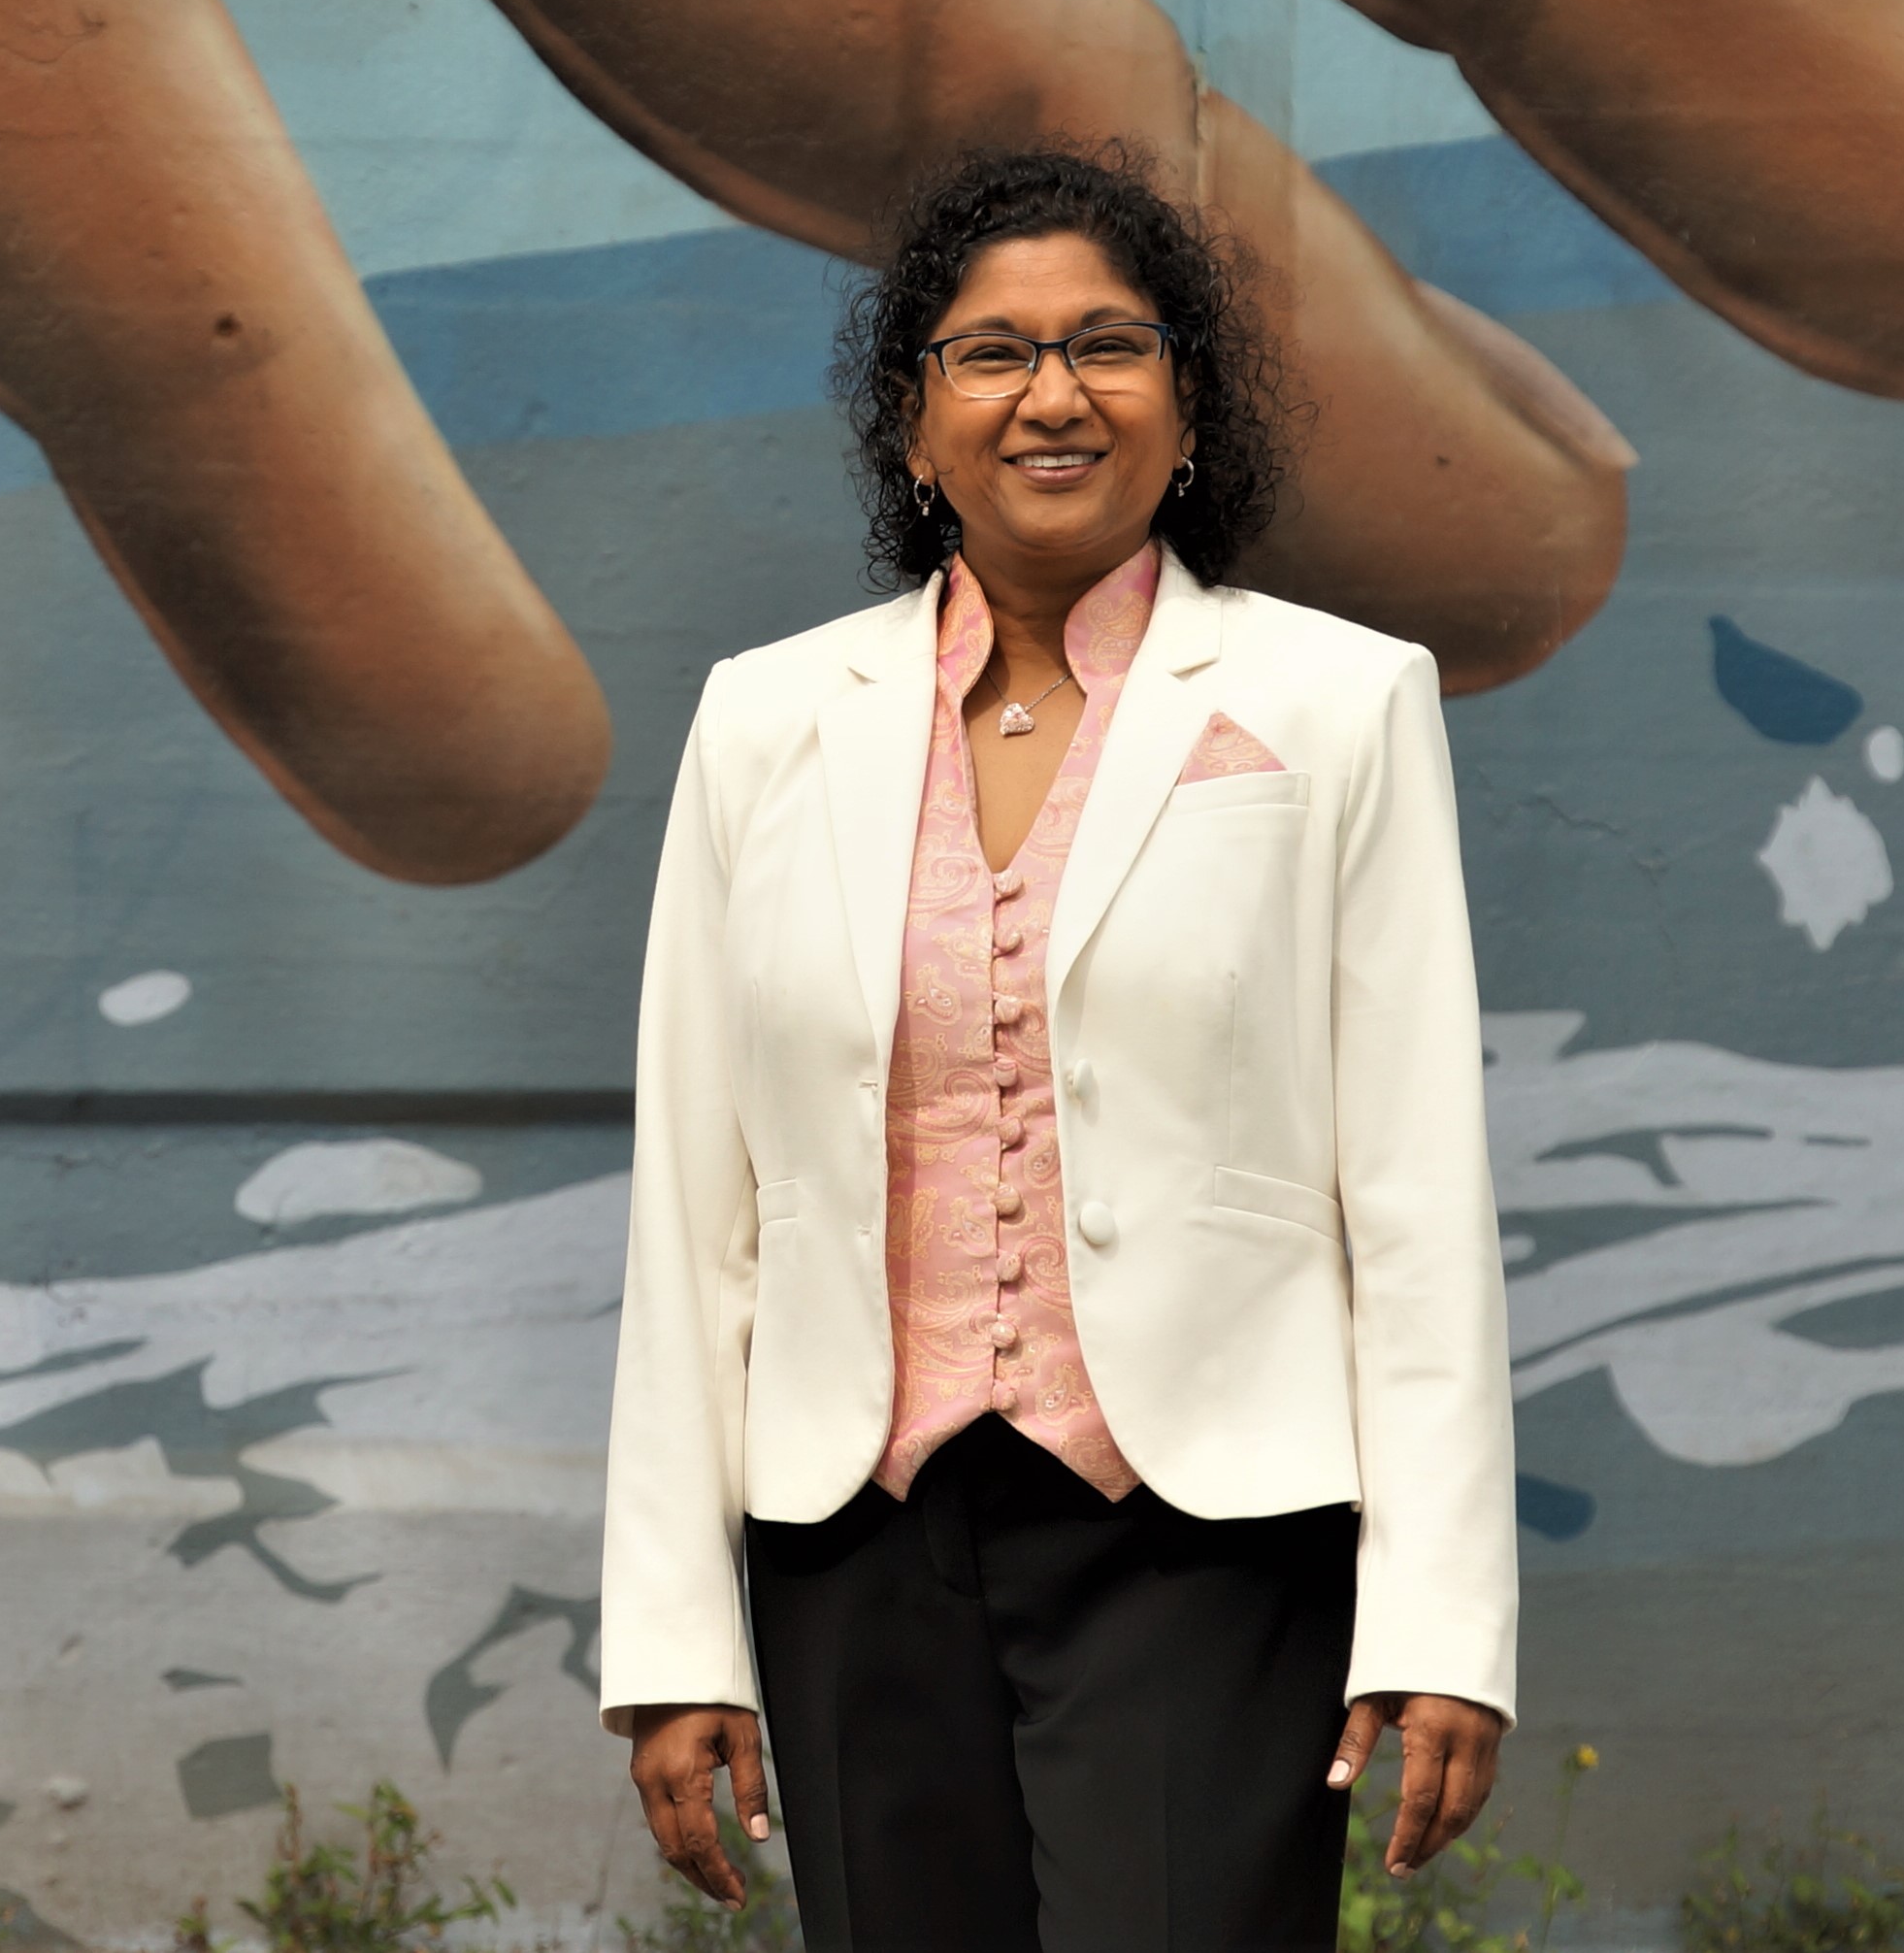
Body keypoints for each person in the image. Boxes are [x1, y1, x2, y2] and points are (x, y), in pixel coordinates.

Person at [601, 146, 1516, 1950]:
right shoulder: (766, 721)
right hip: (855, 1533)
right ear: (914, 424)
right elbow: (698, 1207)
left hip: (1211, 1531)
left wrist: (1438, 1625)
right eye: (990, 352)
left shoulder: (1338, 705)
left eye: (1109, 343)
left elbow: (1414, 1195)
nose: (1053, 391)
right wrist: (670, 1635)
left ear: (1190, 408)